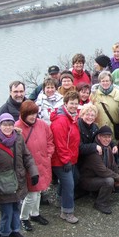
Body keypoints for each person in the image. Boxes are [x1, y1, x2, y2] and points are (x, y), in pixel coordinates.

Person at [0, 113, 38, 237]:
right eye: (4, 124)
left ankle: (15, 230)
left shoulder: (19, 138)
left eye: (10, 124)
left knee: (16, 208)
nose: (7, 127)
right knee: (6, 211)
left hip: (19, 180)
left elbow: (27, 157)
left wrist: (33, 172)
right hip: (3, 183)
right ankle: (4, 233)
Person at [15, 101, 54, 232]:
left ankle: (35, 213)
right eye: (29, 114)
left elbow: (50, 140)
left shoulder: (42, 124)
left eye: (34, 113)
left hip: (42, 163)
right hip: (29, 167)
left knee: (38, 192)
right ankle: (24, 217)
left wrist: (48, 155)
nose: (33, 116)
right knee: (31, 195)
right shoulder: (17, 128)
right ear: (23, 114)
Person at [78, 125, 119, 214]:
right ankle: (100, 203)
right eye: (104, 137)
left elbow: (114, 166)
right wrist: (117, 178)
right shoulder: (94, 151)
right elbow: (102, 171)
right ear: (99, 137)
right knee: (109, 181)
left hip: (98, 177)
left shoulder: (108, 147)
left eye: (109, 137)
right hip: (87, 180)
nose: (107, 139)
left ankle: (98, 192)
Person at [50, 91, 82, 224]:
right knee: (69, 185)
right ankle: (67, 212)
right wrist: (66, 160)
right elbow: (60, 143)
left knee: (73, 178)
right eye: (71, 103)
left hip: (69, 158)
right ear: (65, 103)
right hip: (61, 160)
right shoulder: (61, 120)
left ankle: (59, 198)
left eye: (76, 103)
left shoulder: (72, 117)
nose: (74, 106)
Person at [90, 71, 119, 161]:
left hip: (113, 128)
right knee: (100, 152)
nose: (105, 83)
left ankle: (115, 166)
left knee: (113, 149)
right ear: (99, 82)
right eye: (103, 81)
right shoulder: (94, 94)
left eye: (107, 81)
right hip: (99, 127)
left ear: (111, 82)